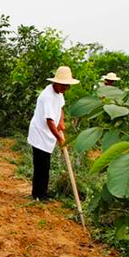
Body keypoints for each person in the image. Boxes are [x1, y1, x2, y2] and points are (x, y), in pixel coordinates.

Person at [27, 66, 79, 201]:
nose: (65, 88)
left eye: (67, 85)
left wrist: (61, 121)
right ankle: (37, 194)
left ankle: (43, 192)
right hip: (40, 134)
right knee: (41, 166)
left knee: (46, 165)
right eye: (63, 85)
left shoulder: (59, 93)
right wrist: (60, 139)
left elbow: (60, 108)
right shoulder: (47, 96)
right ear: (56, 82)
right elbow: (49, 121)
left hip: (49, 133)